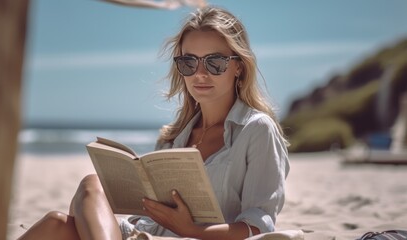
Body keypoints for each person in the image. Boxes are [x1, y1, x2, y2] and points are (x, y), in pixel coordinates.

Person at [18, 6, 289, 240]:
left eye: (215, 62)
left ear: (239, 66)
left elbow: (259, 225)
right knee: (66, 211)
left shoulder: (257, 130)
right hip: (146, 233)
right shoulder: (174, 136)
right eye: (188, 62)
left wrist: (192, 229)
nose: (200, 74)